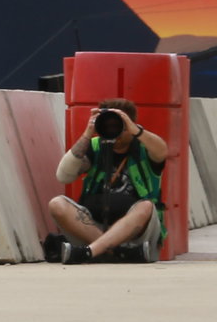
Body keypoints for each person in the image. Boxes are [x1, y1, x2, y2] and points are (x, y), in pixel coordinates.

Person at [47, 97, 167, 263]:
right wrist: (88, 133)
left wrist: (136, 130)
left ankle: (90, 252)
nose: (114, 131)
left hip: (136, 230)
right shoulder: (95, 145)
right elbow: (64, 175)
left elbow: (162, 151)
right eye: (108, 125)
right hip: (94, 225)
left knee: (146, 206)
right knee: (56, 204)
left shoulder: (144, 146)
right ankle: (117, 252)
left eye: (120, 126)